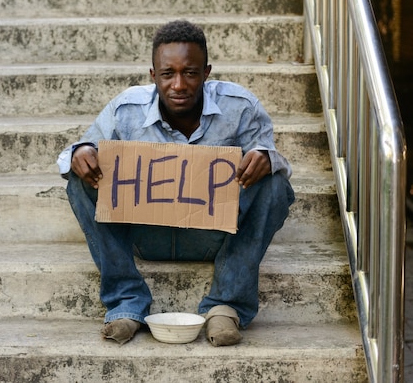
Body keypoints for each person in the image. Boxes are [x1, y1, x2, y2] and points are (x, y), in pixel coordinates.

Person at [57, 20, 295, 346]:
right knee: (78, 178)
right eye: (168, 74)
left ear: (207, 72)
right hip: (144, 234)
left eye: (191, 73)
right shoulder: (126, 109)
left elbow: (274, 163)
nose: (179, 84)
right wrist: (82, 152)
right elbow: (79, 152)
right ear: (153, 76)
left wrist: (266, 159)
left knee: (275, 184)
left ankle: (225, 306)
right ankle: (126, 302)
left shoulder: (240, 108)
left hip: (215, 237)